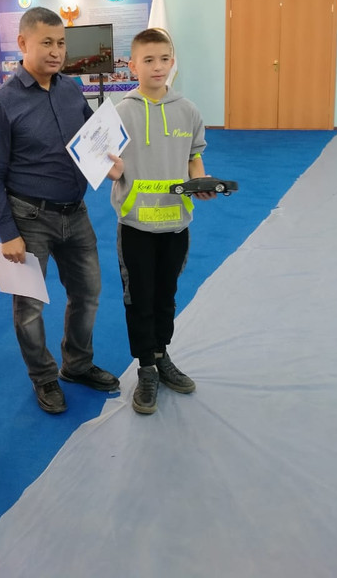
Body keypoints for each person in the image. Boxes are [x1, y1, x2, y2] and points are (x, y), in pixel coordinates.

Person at [0, 6, 120, 414]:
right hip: (29, 219)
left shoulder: (70, 88)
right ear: (23, 43)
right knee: (29, 308)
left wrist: (112, 161)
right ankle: (43, 377)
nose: (57, 51)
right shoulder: (1, 104)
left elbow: (93, 138)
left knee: (88, 294)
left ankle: (77, 365)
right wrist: (8, 233)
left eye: (61, 43)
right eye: (47, 43)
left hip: (75, 212)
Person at [109, 28, 215, 415]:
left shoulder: (188, 110)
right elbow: (103, 162)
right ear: (132, 65)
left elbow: (194, 157)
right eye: (148, 60)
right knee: (139, 298)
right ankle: (146, 368)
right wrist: (110, 169)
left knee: (165, 296)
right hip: (136, 227)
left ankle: (161, 354)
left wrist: (200, 181)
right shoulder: (119, 113)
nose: (158, 67)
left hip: (176, 226)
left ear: (173, 62)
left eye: (164, 59)